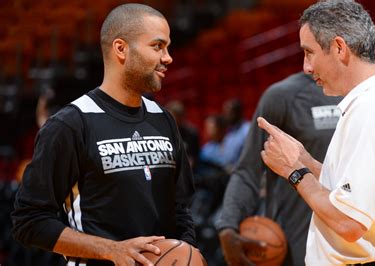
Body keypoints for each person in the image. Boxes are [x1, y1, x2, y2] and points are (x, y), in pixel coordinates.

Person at [11, 4, 196, 266]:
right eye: (157, 46)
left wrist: (185, 253)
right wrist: (111, 250)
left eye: (167, 47)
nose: (168, 57)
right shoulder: (70, 124)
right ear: (121, 49)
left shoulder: (163, 120)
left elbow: (181, 210)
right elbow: (29, 221)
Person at [256, 0, 375, 264]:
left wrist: (294, 171)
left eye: (309, 52)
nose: (306, 67)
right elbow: (351, 195)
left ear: (339, 48)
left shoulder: (373, 110)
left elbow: (349, 221)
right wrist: (305, 160)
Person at [216, 71, 341, 266]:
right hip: (296, 246)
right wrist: (228, 224)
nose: (308, 64)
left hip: (356, 244)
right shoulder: (283, 96)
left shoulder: (366, 98)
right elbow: (249, 170)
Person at [165, 100, 200, 169]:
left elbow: (192, 158)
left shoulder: (191, 133)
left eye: (173, 117)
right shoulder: (162, 132)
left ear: (181, 117)